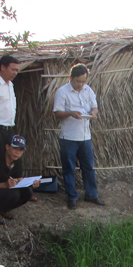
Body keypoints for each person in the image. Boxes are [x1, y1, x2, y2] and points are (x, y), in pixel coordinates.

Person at [53, 64, 105, 209]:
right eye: (78, 81)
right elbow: (57, 113)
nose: (81, 84)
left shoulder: (88, 90)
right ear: (71, 78)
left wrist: (94, 113)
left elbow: (94, 107)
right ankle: (72, 196)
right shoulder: (62, 92)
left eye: (83, 81)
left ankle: (91, 194)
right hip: (68, 137)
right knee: (69, 167)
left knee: (88, 166)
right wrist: (71, 113)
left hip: (85, 136)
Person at [0, 135, 40, 219]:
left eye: (20, 150)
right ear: (7, 147)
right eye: (15, 148)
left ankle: (3, 209)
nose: (17, 152)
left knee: (28, 192)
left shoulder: (17, 161)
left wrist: (30, 183)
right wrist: (4, 185)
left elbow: (19, 178)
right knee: (13, 194)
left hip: (1, 191)